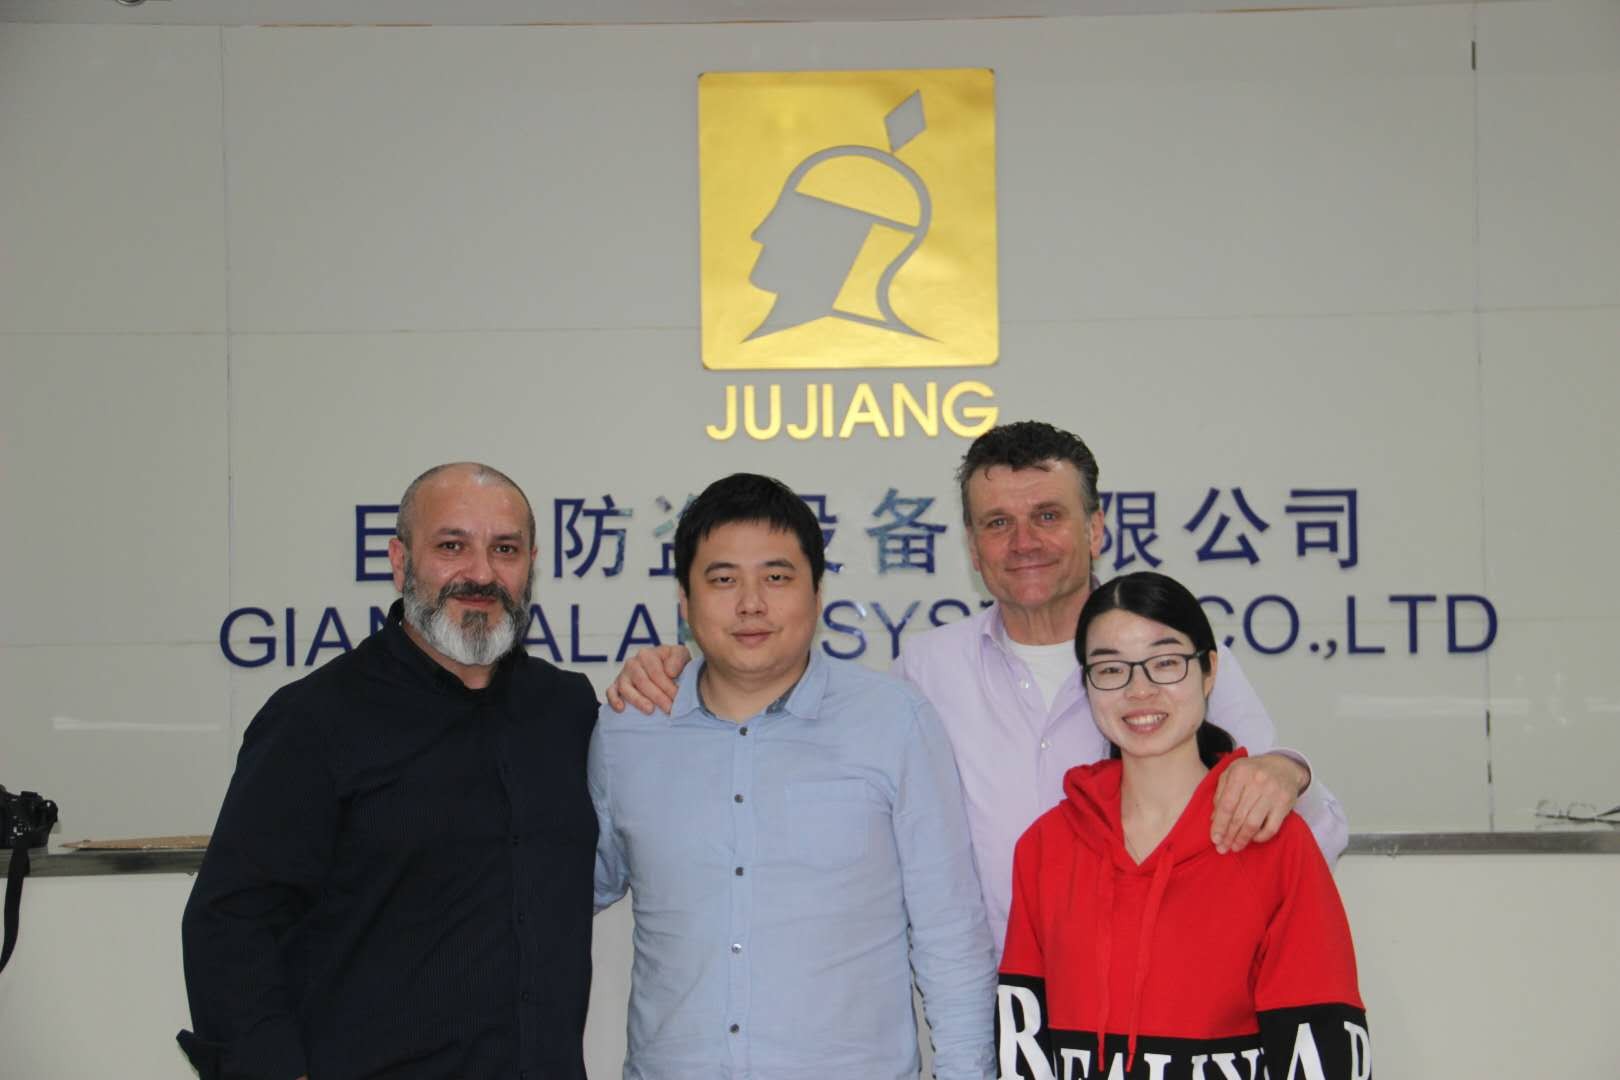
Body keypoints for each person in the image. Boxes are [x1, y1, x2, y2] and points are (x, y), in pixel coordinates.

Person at [606, 421, 1348, 942]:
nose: (1023, 542)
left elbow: (1313, 831)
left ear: (1095, 528)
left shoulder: (1175, 661)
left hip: (1166, 1009)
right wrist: (688, 666)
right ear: (970, 544)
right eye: (996, 523)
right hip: (997, 1016)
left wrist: (1289, 772)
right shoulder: (925, 672)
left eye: (1047, 515)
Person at [179, 463, 598, 1080]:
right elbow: (230, 921)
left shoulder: (566, 710)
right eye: (451, 546)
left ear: (530, 564)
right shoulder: (315, 719)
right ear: (401, 563)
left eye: (505, 549)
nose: (482, 573)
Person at [590, 472, 996, 1080]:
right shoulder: (628, 731)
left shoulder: (894, 723)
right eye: (723, 579)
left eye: (777, 578)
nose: (751, 604)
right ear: (684, 601)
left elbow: (951, 937)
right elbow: (565, 889)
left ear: (817, 592)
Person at [996, 572, 1368, 1079]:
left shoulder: (1272, 841)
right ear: (1087, 685)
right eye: (1111, 669)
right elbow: (1025, 1046)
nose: (1139, 690)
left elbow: (1321, 1049)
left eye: (1166, 662)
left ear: (1209, 672)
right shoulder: (1046, 846)